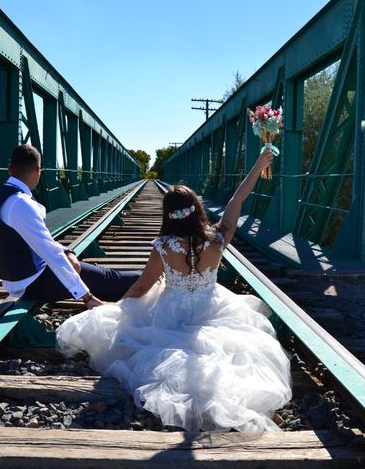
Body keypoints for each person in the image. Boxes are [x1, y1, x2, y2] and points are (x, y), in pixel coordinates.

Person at [56, 149, 292, 432]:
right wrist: (258, 164)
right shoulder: (218, 237)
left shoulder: (164, 246)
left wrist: (118, 305)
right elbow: (237, 199)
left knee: (137, 335)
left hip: (171, 313)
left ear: (170, 214)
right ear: (196, 209)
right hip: (213, 308)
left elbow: (143, 285)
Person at [0, 144, 141, 308]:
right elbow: (50, 253)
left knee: (101, 276)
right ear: (38, 170)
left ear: (10, 169)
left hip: (19, 281)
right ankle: (158, 279)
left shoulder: (2, 197)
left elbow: (42, 243)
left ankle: (148, 282)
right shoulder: (21, 203)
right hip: (34, 283)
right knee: (111, 279)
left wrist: (67, 251)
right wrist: (86, 297)